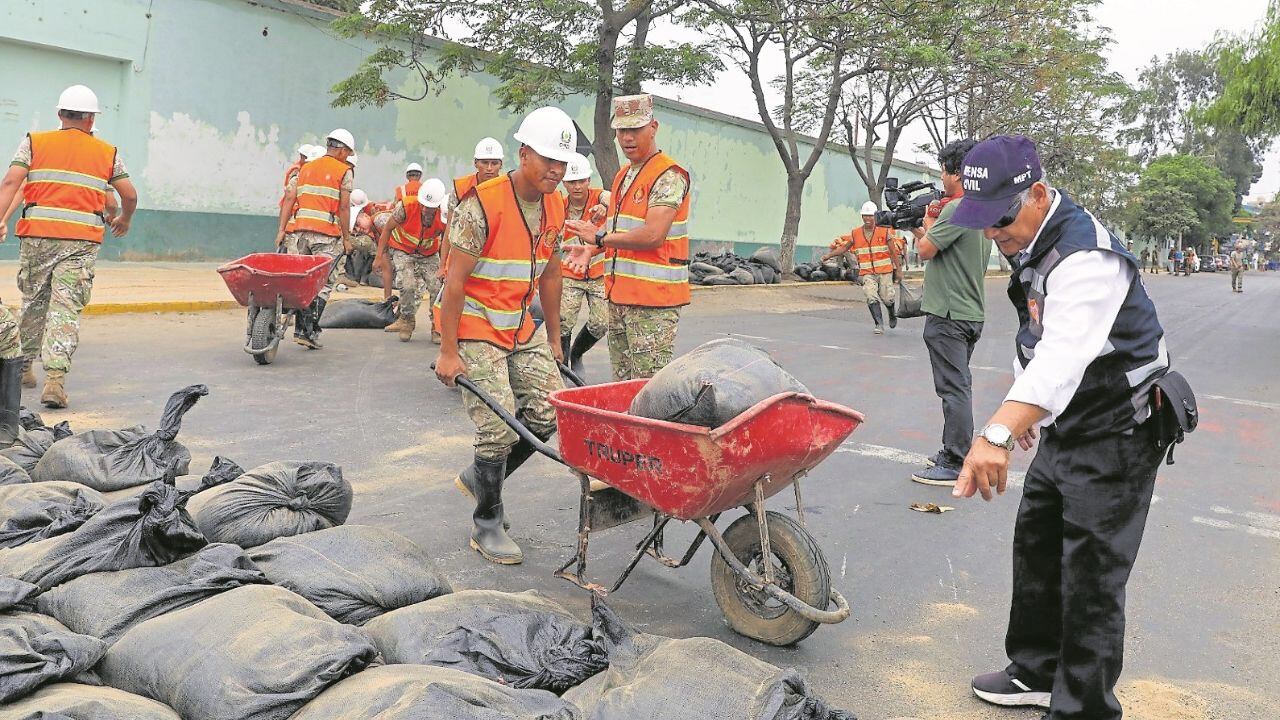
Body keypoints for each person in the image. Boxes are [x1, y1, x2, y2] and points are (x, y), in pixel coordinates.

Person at [947, 135, 1171, 720]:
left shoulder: (1086, 257)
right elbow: (1036, 337)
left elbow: (1066, 353)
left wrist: (997, 430)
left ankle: (1084, 708)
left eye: (1000, 217)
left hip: (1119, 430)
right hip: (1071, 421)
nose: (993, 233)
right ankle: (1037, 669)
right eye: (983, 221)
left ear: (1038, 194)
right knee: (1039, 544)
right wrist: (1029, 410)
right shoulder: (1031, 243)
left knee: (1093, 573)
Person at [434, 106, 576, 565]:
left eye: (562, 162)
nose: (556, 170)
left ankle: (482, 478)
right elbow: (454, 283)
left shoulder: (556, 203)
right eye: (547, 160)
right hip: (475, 322)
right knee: (496, 427)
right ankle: (487, 523)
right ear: (524, 154)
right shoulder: (482, 204)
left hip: (519, 323)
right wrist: (448, 351)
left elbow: (552, 275)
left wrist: (555, 340)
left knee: (547, 412)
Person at [0, 84, 137, 408]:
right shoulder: (106, 152)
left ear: (60, 115)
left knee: (33, 301)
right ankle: (55, 381)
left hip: (37, 238)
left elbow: (11, 182)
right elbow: (128, 195)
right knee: (65, 308)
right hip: (80, 242)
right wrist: (125, 220)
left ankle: (23, 370)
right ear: (91, 119)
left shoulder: (35, 142)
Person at [564, 93, 691, 381]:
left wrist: (598, 239)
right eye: (622, 131)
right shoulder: (624, 175)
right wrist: (593, 251)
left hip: (653, 305)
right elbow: (623, 234)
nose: (627, 138)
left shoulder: (669, 175)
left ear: (653, 127)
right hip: (619, 299)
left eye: (636, 129)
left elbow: (652, 236)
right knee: (623, 385)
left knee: (647, 390)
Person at [908, 138, 991, 486]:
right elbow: (943, 246)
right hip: (969, 311)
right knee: (959, 385)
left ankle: (955, 460)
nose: (942, 177)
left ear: (957, 172)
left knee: (954, 389)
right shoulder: (980, 208)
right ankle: (952, 449)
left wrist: (917, 226)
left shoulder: (958, 209)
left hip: (949, 314)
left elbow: (926, 249)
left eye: (944, 170)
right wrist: (924, 223)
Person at [275, 128, 355, 349]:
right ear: (342, 150)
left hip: (300, 233)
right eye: (348, 152)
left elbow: (290, 197)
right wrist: (347, 238)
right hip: (326, 235)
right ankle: (306, 329)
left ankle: (305, 329)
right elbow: (345, 206)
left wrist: (282, 229)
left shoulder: (306, 168)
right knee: (324, 282)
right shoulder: (344, 170)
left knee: (300, 279)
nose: (348, 157)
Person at [376, 178, 449, 342]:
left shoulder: (444, 213)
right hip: (403, 249)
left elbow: (447, 240)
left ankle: (437, 326)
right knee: (407, 284)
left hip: (428, 253)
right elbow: (387, 229)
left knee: (437, 286)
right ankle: (407, 320)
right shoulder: (406, 207)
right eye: (423, 205)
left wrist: (443, 266)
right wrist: (379, 257)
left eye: (430, 208)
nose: (424, 209)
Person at [558, 153, 611, 375]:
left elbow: (613, 197)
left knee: (601, 323)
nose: (577, 186)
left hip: (598, 273)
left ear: (589, 180)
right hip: (570, 273)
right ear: (564, 183)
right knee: (563, 321)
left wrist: (605, 206)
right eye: (572, 182)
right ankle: (563, 367)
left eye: (581, 181)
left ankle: (577, 353)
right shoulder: (559, 206)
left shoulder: (600, 198)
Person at [821, 201, 898, 334]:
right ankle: (879, 324)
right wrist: (829, 255)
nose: (867, 218)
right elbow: (844, 247)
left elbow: (893, 252)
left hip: (884, 271)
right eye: (865, 215)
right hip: (868, 273)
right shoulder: (856, 233)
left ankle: (891, 313)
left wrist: (899, 270)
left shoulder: (884, 231)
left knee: (887, 298)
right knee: (870, 295)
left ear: (875, 216)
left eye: (870, 215)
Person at [452, 138, 504, 212]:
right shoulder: (460, 188)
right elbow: (451, 221)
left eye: (494, 163)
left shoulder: (509, 188)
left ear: (501, 165)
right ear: (475, 163)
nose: (489, 168)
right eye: (485, 163)